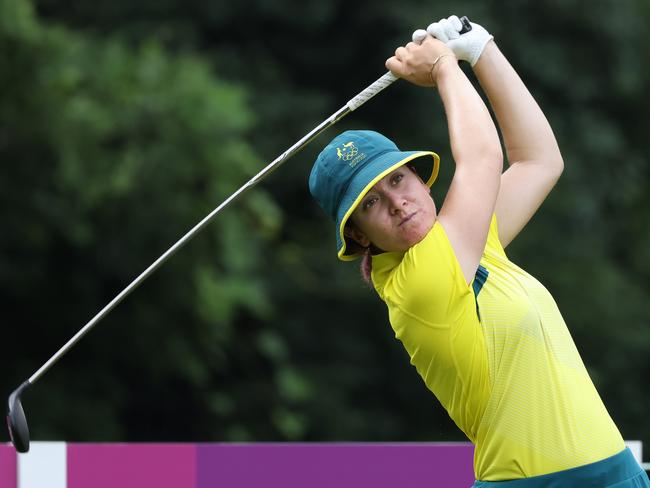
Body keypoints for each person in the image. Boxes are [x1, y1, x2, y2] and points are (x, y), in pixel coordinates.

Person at [308, 15, 650, 487]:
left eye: (396, 179)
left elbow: (539, 160)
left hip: (618, 476)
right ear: (360, 235)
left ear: (420, 180)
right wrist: (445, 67)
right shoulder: (417, 286)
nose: (396, 202)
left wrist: (482, 49)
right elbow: (484, 158)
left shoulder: (470, 245)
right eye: (371, 203)